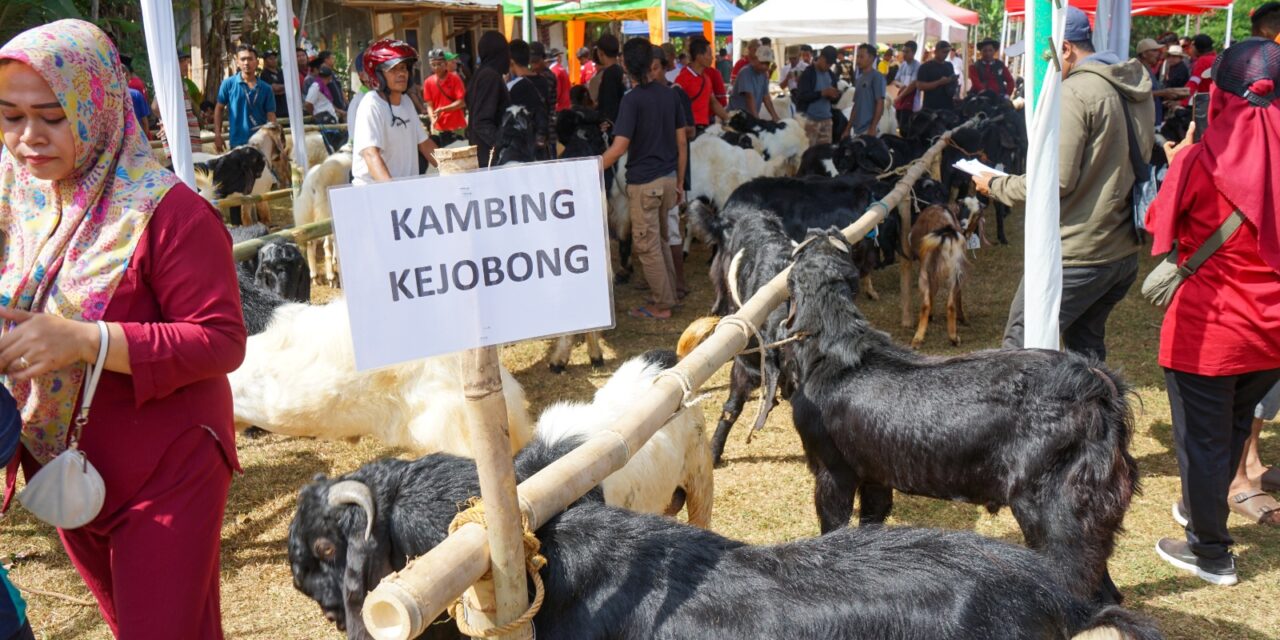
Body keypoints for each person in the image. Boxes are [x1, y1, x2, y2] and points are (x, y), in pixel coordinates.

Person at [0, 19, 246, 638]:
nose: (28, 138)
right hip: (68, 464)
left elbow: (220, 340)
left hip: (169, 461)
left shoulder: (169, 213)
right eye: (9, 117)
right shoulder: (18, 196)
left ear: (98, 106)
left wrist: (84, 340)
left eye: (52, 116)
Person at [1148, 38, 1280, 584]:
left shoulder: (1203, 160)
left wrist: (1176, 163)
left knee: (1203, 439)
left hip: (1209, 330)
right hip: (1272, 334)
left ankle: (1210, 552)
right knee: (1227, 431)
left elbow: (1157, 230)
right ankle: (1205, 510)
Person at [974, 6, 1152, 362]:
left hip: (1078, 254)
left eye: (1043, 60)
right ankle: (1097, 418)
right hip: (1119, 251)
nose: (1038, 72)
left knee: (1018, 355)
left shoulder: (1074, 93)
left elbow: (1053, 181)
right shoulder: (1134, 82)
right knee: (1085, 354)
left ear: (1065, 49)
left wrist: (996, 184)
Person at [601, 37, 687, 321]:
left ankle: (662, 305)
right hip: (667, 179)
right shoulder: (669, 94)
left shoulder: (632, 100)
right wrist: (679, 182)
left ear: (625, 65)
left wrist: (591, 167)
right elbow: (682, 143)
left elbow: (619, 147)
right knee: (660, 242)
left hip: (644, 183)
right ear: (651, 63)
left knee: (647, 246)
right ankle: (669, 293)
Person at [352, 39, 436, 185]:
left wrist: (453, 169)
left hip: (404, 193)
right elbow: (371, 154)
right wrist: (392, 191)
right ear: (377, 75)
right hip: (376, 195)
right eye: (393, 69)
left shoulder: (406, 102)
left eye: (404, 68)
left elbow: (425, 144)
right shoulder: (371, 104)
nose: (402, 74)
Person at [213, 44, 277, 152]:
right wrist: (217, 135)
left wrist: (275, 139)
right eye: (243, 59)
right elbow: (219, 108)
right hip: (237, 143)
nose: (246, 63)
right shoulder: (228, 84)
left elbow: (271, 115)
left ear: (257, 62)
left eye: (250, 59)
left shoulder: (266, 88)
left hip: (260, 143)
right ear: (237, 62)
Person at [467, 31, 511, 168]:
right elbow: (482, 122)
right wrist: (503, 147)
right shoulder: (490, 76)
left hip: (483, 156)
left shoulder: (481, 74)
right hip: (490, 159)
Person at [674, 35, 731, 134]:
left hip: (704, 128)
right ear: (699, 57)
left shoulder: (706, 78)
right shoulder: (682, 78)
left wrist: (728, 119)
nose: (712, 58)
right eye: (709, 54)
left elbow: (713, 102)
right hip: (689, 130)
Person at [508, 40, 552, 160]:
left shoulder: (512, 86)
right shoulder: (543, 81)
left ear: (511, 61)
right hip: (542, 140)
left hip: (522, 147)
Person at [795, 45, 842, 146]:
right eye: (827, 63)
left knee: (824, 154)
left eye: (831, 64)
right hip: (809, 121)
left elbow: (834, 100)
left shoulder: (831, 75)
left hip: (827, 120)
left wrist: (835, 95)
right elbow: (801, 96)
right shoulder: (808, 73)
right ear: (821, 58)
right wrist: (822, 93)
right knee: (808, 154)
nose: (828, 66)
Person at [422, 48, 467, 146]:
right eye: (433, 64)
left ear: (446, 64)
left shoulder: (455, 79)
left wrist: (443, 109)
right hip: (439, 127)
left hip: (457, 126)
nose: (436, 67)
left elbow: (462, 102)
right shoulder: (428, 82)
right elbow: (429, 105)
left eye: (439, 64)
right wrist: (432, 119)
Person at [842, 43, 885, 139]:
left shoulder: (877, 77)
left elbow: (880, 103)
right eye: (857, 56)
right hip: (857, 128)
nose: (858, 60)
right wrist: (847, 129)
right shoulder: (859, 78)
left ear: (871, 58)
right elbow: (856, 105)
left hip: (868, 128)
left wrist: (873, 127)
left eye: (861, 57)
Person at [729, 46, 780, 121]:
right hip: (735, 117)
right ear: (755, 60)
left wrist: (775, 117)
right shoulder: (745, 72)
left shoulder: (764, 75)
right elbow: (749, 97)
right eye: (763, 63)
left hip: (748, 117)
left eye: (767, 64)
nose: (765, 66)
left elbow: (766, 97)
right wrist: (757, 120)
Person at [916, 40, 958, 112]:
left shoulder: (949, 65)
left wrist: (953, 81)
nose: (946, 54)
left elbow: (953, 84)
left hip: (947, 107)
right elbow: (920, 86)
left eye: (947, 52)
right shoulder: (926, 67)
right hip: (931, 108)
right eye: (943, 52)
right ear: (936, 52)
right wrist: (939, 82)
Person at [593, 34, 626, 124]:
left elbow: (609, 105)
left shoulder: (609, 74)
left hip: (611, 125)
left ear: (601, 52)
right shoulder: (619, 70)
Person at [1135, 39, 1166, 125]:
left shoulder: (1148, 69)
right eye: (1154, 50)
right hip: (1144, 121)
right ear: (1144, 54)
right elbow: (1138, 93)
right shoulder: (1137, 69)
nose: (1158, 53)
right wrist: (1166, 93)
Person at [893, 40, 922, 131]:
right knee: (899, 125)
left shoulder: (917, 66)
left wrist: (899, 96)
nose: (904, 54)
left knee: (906, 129)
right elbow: (895, 81)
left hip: (911, 103)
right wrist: (901, 85)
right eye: (903, 51)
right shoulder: (903, 65)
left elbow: (912, 85)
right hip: (901, 101)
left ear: (913, 53)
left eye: (907, 51)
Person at [1185, 34, 1217, 104]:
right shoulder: (1217, 59)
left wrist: (1182, 102)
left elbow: (1193, 84)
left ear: (1196, 47)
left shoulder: (1203, 61)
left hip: (1204, 103)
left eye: (1192, 46)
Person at [258, 49, 289, 119]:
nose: (273, 60)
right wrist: (285, 87)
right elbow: (273, 88)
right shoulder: (264, 74)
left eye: (274, 58)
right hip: (275, 108)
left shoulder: (281, 72)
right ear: (265, 61)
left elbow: (289, 86)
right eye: (270, 59)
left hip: (286, 106)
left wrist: (281, 88)